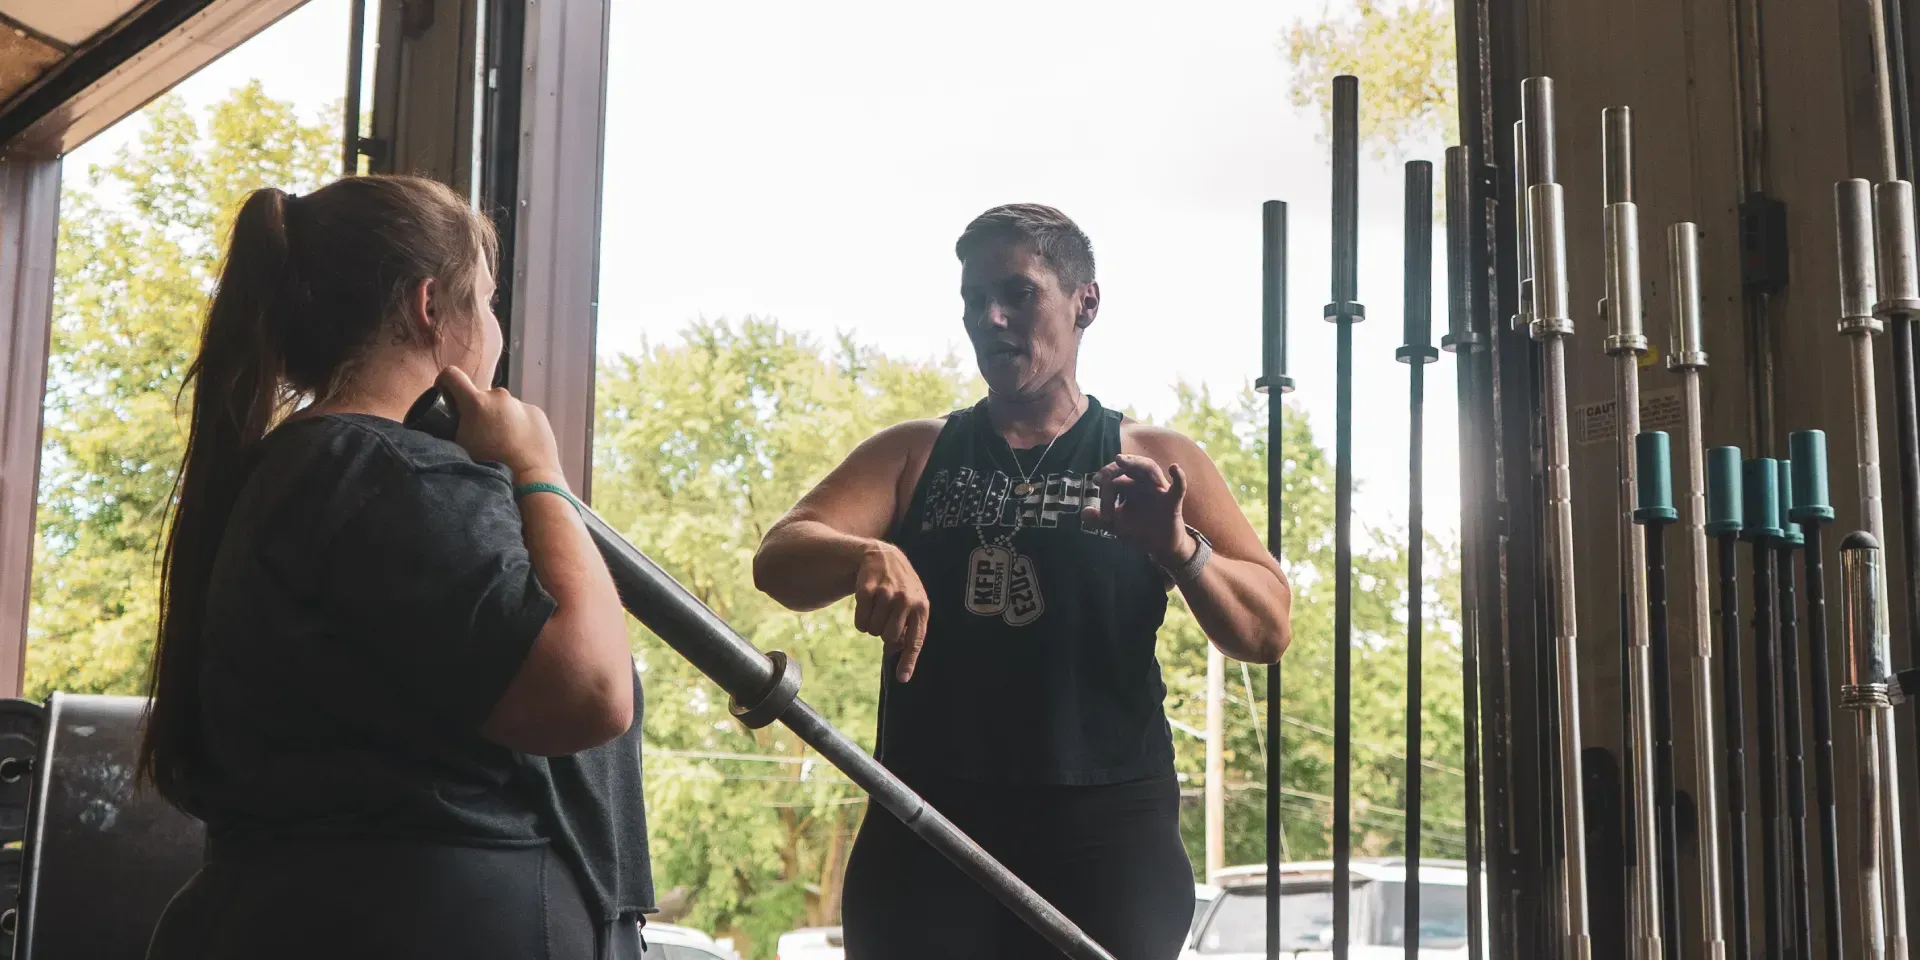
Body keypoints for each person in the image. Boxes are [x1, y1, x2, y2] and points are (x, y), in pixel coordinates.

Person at [753, 203, 1292, 959]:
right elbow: (780, 558)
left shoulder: (1155, 456)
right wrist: (862, 555)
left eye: (1019, 293)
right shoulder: (915, 453)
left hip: (1107, 830)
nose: (991, 317)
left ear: (1086, 303)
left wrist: (1178, 547)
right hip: (927, 821)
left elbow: (1268, 630)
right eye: (974, 301)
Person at [140, 176, 652, 960]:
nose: (495, 329)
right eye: (483, 300)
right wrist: (536, 469)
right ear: (430, 308)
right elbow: (588, 691)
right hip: (439, 922)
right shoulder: (391, 474)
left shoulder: (291, 473)